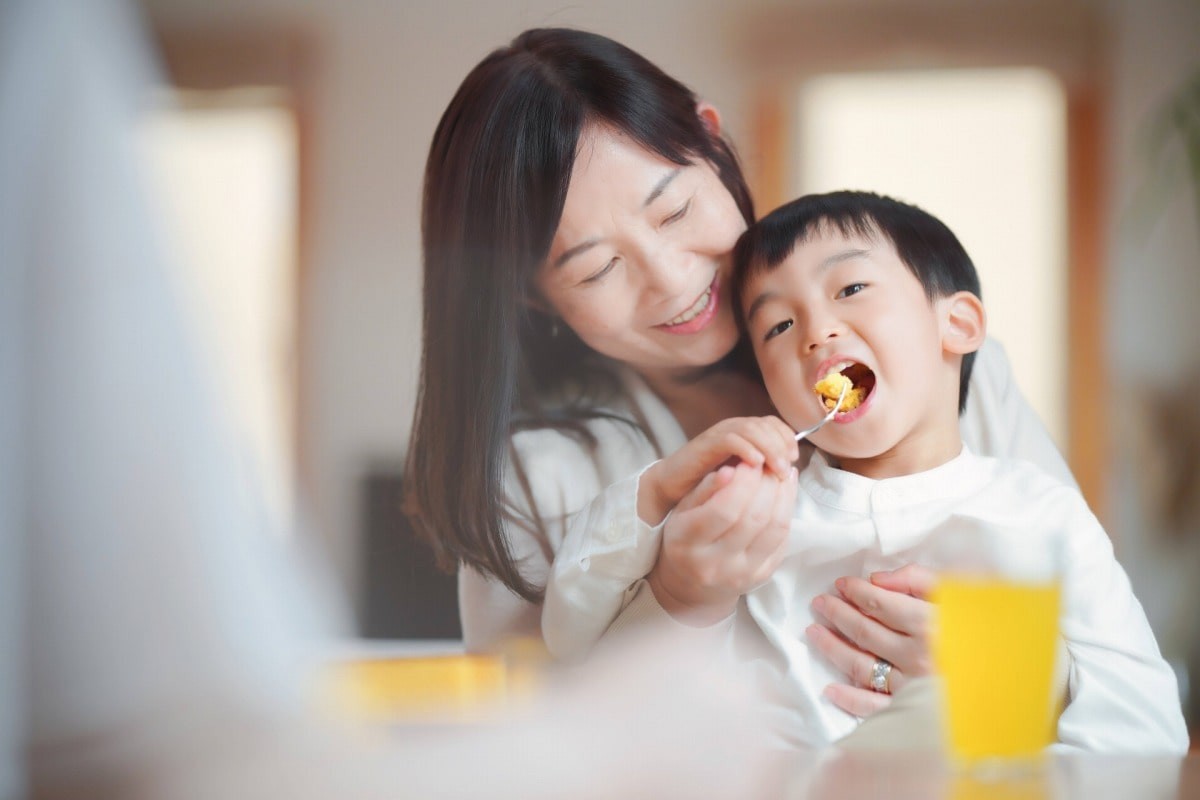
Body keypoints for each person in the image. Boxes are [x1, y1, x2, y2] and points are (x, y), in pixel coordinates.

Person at [404, 26, 1076, 719]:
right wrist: (677, 601)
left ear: (714, 143)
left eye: (675, 210)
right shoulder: (537, 479)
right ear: (531, 296)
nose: (672, 281)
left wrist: (1010, 674)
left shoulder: (945, 370)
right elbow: (521, 750)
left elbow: (1095, 639)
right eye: (599, 268)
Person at [713, 190, 1184, 750]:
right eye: (778, 326)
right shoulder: (759, 522)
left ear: (958, 324)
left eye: (851, 289)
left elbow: (1146, 733)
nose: (816, 332)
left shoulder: (1043, 516)